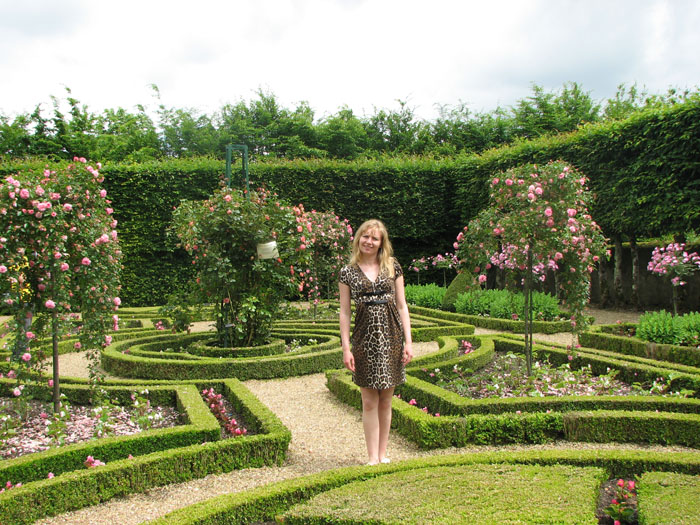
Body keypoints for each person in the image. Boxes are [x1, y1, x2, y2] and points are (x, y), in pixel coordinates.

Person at [339, 219, 413, 465]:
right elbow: (345, 312)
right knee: (369, 401)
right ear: (358, 238)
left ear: (382, 243)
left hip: (392, 337)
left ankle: (383, 454)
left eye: (374, 238)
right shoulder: (347, 272)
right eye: (365, 236)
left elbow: (402, 305)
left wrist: (409, 342)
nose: (369, 241)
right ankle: (372, 457)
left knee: (387, 400)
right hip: (364, 339)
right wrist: (346, 348)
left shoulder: (392, 266)